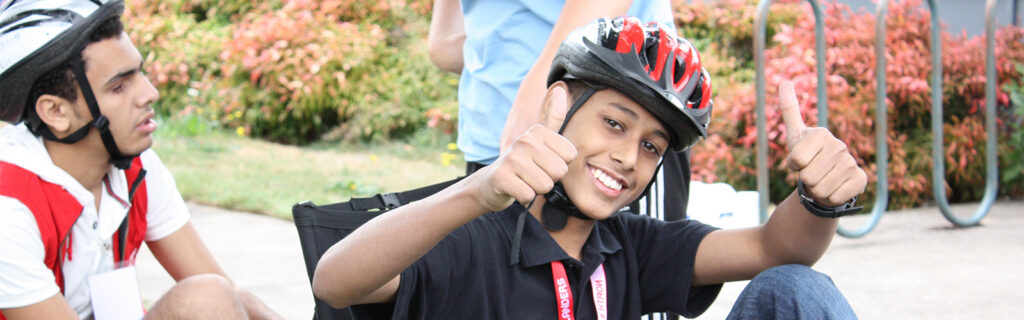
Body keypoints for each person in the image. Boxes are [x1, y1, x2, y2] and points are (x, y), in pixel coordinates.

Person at [314, 17, 867, 319]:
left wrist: (819, 197)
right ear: (561, 106)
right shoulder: (471, 235)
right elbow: (335, 282)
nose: (629, 157)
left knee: (796, 290)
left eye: (653, 147)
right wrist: (477, 190)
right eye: (614, 124)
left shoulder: (626, 246)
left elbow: (777, 250)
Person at [0, 0, 281, 319]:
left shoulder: (137, 168)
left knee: (219, 295)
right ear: (56, 112)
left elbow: (230, 296)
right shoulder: (8, 206)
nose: (149, 93)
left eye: (140, 74)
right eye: (119, 86)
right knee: (203, 299)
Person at [431, 0, 691, 258]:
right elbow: (443, 45)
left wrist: (536, 98)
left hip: (615, 118)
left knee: (632, 282)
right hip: (494, 137)